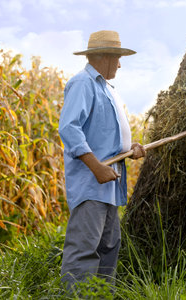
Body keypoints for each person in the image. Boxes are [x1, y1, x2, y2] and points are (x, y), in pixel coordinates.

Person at [58, 30, 145, 290]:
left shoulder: (107, 89)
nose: (119, 64)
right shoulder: (83, 83)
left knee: (108, 248)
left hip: (110, 185)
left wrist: (131, 147)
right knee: (85, 249)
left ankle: (101, 296)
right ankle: (76, 296)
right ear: (104, 56)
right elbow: (69, 128)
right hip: (91, 182)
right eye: (117, 57)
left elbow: (107, 136)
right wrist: (96, 167)